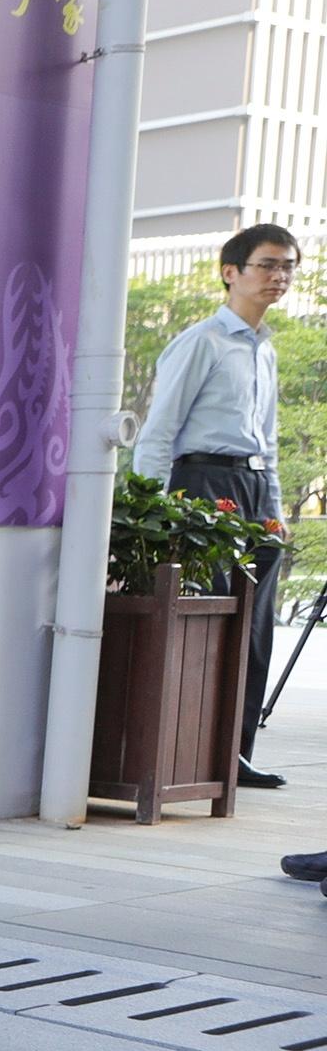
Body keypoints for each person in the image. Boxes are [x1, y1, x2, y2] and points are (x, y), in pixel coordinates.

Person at [136, 222, 299, 789]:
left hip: (254, 492)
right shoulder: (201, 341)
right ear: (230, 272)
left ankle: (236, 752)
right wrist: (147, 515)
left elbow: (269, 439)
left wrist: (275, 513)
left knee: (255, 625)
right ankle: (192, 747)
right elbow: (158, 432)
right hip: (202, 485)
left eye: (287, 267)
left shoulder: (266, 349)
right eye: (267, 265)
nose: (278, 276)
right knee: (205, 619)